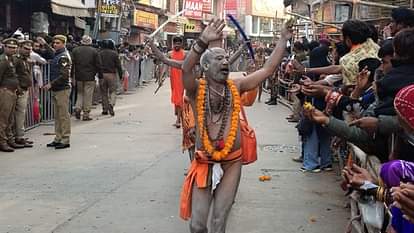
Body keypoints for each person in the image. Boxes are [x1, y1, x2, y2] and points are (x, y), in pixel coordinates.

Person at [179, 18, 292, 233]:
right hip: (204, 160)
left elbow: (267, 69)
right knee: (197, 226)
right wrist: (203, 40)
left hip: (232, 162)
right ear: (205, 66)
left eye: (226, 59)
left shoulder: (236, 86)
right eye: (219, 58)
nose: (225, 62)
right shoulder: (195, 90)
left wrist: (283, 40)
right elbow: (186, 68)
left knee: (219, 222)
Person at [44, 35, 72, 149]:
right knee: (57, 116)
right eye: (54, 43)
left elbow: (64, 75)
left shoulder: (63, 57)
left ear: (63, 43)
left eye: (58, 43)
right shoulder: (58, 54)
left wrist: (51, 84)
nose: (55, 44)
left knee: (63, 115)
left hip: (62, 89)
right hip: (58, 89)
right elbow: (51, 51)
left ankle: (65, 139)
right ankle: (58, 138)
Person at [0, 38, 22, 152]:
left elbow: (13, 76)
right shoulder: (3, 60)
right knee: (3, 119)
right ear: (4, 47)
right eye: (10, 47)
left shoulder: (11, 59)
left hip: (12, 91)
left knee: (10, 119)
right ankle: (2, 142)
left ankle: (10, 140)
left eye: (14, 47)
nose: (12, 49)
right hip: (5, 91)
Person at [72, 35, 101, 121]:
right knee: (88, 95)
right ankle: (86, 113)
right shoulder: (94, 51)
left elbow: (73, 64)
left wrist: (72, 76)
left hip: (78, 76)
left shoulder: (75, 50)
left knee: (80, 93)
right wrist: (99, 74)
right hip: (90, 76)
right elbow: (98, 64)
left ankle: (77, 108)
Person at [12, 40, 35, 147]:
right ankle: (15, 137)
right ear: (20, 47)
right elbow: (13, 75)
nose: (28, 51)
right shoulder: (16, 59)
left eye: (30, 49)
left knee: (21, 113)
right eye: (26, 48)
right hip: (18, 89)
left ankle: (19, 136)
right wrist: (18, 87)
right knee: (16, 114)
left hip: (24, 88)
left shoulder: (25, 59)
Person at [98, 39, 122, 116]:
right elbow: (118, 65)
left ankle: (105, 109)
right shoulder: (114, 54)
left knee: (103, 93)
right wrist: (120, 75)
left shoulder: (99, 53)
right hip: (112, 75)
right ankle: (111, 104)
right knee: (113, 91)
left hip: (102, 75)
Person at [169, 36, 186, 128]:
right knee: (175, 100)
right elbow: (165, 65)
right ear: (173, 44)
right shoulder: (170, 54)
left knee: (179, 99)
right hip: (173, 79)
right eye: (175, 43)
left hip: (181, 79)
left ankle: (178, 120)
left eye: (179, 43)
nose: (177, 45)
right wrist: (161, 77)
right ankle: (180, 116)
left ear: (181, 44)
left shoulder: (184, 54)